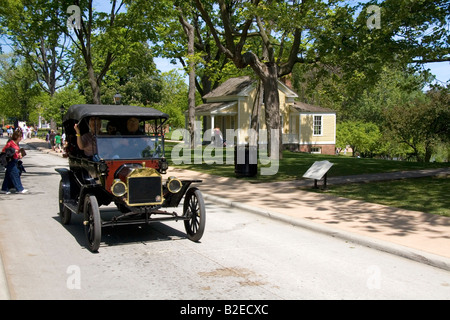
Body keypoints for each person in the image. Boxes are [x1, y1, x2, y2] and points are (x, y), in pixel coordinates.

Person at [1, 130, 27, 194]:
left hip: (15, 161)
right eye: (20, 137)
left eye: (21, 137)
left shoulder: (16, 143)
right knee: (16, 174)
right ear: (16, 136)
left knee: (8, 176)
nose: (21, 138)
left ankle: (4, 189)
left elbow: (17, 152)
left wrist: (19, 155)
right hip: (10, 161)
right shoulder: (11, 143)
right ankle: (20, 189)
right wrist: (13, 151)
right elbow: (4, 150)